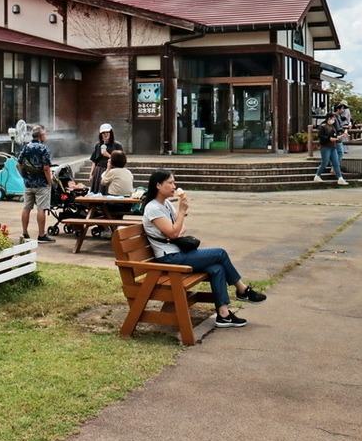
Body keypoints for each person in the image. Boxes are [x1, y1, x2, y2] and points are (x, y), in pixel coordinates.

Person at [141, 170, 266, 327]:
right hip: (169, 258)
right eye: (170, 183)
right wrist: (180, 212)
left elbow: (181, 228)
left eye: (174, 182)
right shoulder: (153, 208)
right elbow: (173, 233)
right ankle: (242, 290)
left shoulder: (165, 204)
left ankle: (224, 315)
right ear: (158, 185)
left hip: (178, 253)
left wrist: (174, 229)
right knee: (220, 253)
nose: (174, 186)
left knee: (217, 268)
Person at [17, 124, 54, 244]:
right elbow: (46, 168)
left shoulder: (26, 147)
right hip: (41, 184)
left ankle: (25, 233)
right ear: (41, 135)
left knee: (26, 208)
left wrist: (24, 176)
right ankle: (41, 235)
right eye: (45, 134)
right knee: (41, 209)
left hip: (28, 184)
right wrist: (50, 182)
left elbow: (18, 164)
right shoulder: (43, 149)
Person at [313, 112, 347, 185]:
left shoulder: (332, 127)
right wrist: (329, 139)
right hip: (325, 146)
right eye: (333, 118)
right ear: (329, 118)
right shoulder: (322, 126)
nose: (333, 120)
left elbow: (334, 136)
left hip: (333, 146)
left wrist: (339, 137)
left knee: (336, 163)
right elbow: (321, 136)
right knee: (325, 162)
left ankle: (340, 178)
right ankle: (317, 175)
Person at [89, 123, 122, 194]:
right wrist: (91, 174)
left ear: (111, 133)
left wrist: (108, 155)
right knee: (98, 191)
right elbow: (94, 161)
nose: (105, 134)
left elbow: (121, 160)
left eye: (107, 132)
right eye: (103, 133)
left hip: (112, 171)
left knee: (109, 191)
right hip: (99, 170)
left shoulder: (117, 145)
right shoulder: (98, 145)